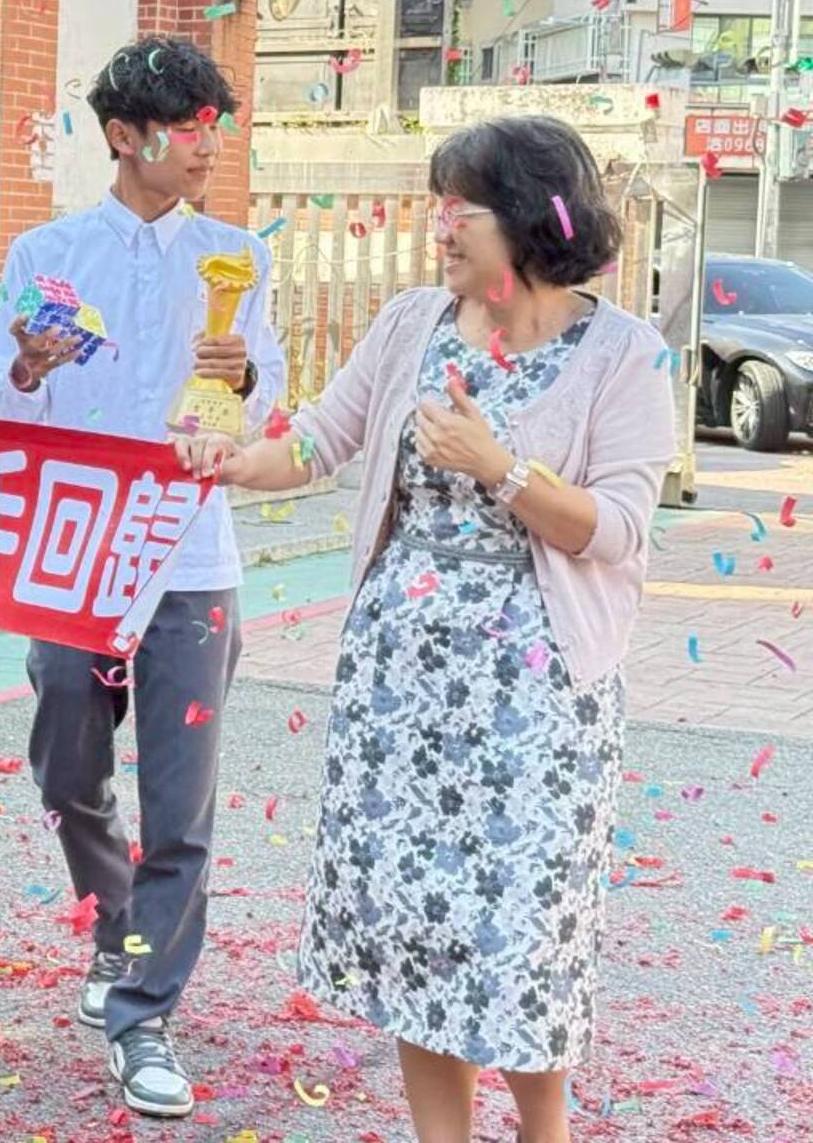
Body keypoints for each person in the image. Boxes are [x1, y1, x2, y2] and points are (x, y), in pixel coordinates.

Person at [175, 115, 674, 1143]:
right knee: (416, 930)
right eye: (436, 205)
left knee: (520, 937)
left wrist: (500, 467)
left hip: (535, 698)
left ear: (529, 219)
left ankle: (544, 1133)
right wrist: (232, 463)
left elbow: (619, 529)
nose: (438, 227)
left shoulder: (622, 353)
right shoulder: (414, 322)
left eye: (462, 209)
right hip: (398, 685)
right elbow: (318, 441)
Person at [0, 37, 284, 1117]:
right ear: (122, 136)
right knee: (67, 768)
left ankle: (142, 1009)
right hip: (74, 558)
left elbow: (268, 405)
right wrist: (28, 365)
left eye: (212, 127)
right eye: (183, 128)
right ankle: (117, 922)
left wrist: (242, 375)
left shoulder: (236, 258)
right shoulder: (46, 255)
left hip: (192, 559)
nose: (205, 146)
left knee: (180, 800)